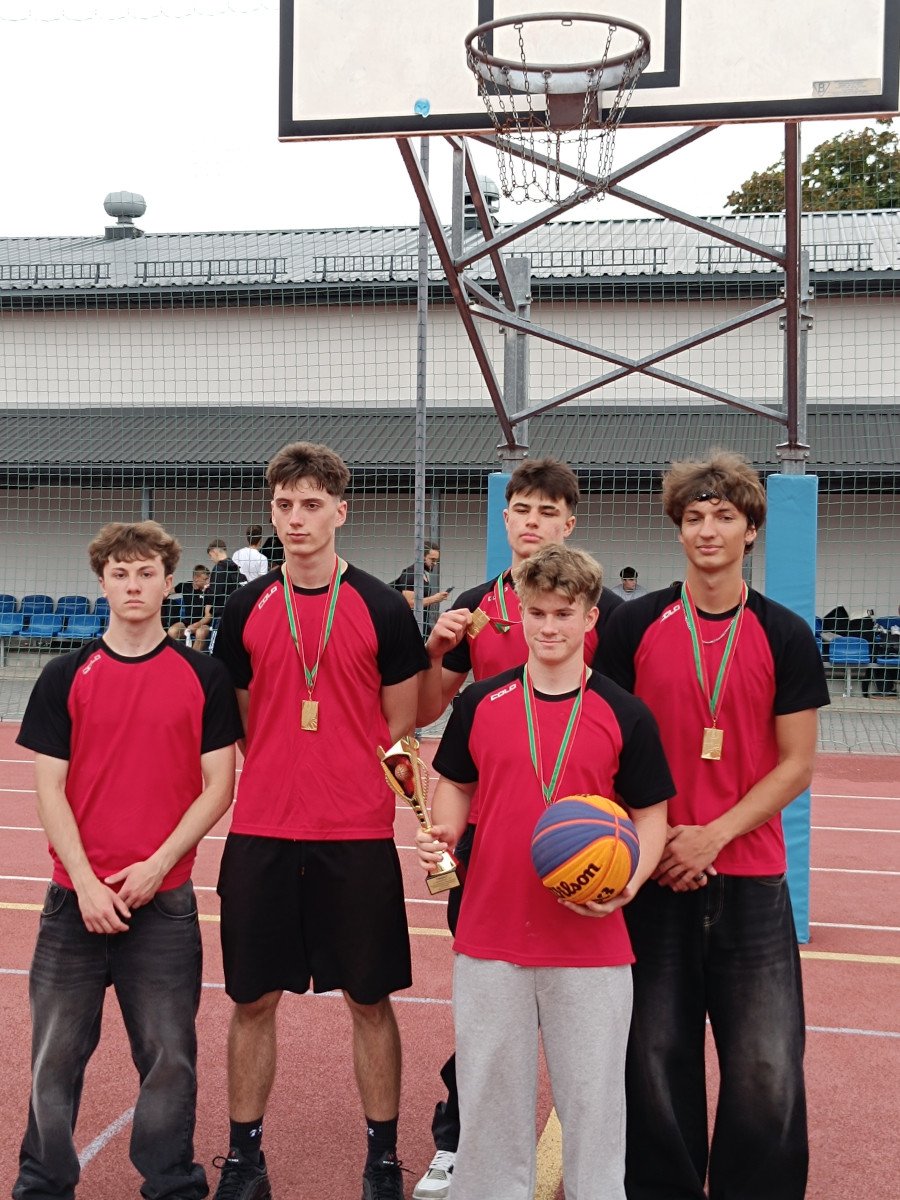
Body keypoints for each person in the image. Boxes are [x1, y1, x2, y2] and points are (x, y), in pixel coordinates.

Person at [596, 451, 831, 1200]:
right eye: (694, 516)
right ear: (678, 529)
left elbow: (796, 764)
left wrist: (713, 835)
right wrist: (662, 841)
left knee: (766, 1066)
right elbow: (610, 748)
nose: (708, 529)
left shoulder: (784, 633)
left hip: (751, 878)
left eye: (724, 516)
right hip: (654, 875)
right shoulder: (635, 624)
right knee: (654, 1059)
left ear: (751, 529)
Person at [416, 544, 673, 1200]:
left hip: (591, 943)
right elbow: (455, 788)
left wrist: (629, 883)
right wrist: (444, 834)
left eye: (564, 613)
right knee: (489, 1107)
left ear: (591, 618)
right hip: (490, 935)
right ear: (520, 614)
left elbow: (652, 815)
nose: (549, 626)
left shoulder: (625, 712)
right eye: (537, 613)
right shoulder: (480, 703)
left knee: (595, 1109)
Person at [212, 441, 428, 1200]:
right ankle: (244, 1160)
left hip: (356, 834)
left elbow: (400, 724)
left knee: (369, 1000)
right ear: (271, 513)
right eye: (283, 505)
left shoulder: (381, 607)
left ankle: (382, 1160)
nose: (296, 518)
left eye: (310, 505)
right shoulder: (245, 606)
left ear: (341, 511)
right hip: (264, 829)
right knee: (252, 1000)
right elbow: (245, 720)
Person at [12, 520, 242, 1200]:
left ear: (169, 583)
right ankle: (43, 1184)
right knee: (53, 1060)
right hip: (72, 903)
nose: (133, 585)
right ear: (103, 583)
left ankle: (172, 1184)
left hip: (162, 902)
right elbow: (49, 790)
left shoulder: (203, 675)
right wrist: (85, 883)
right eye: (120, 574)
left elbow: (219, 786)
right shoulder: (64, 675)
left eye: (146, 573)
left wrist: (157, 865)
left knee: (170, 1058)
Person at [391, 541, 450, 634]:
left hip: (421, 625)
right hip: (410, 627)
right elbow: (409, 603)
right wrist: (434, 599)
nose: (435, 563)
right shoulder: (411, 574)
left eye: (436, 560)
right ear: (422, 557)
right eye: (432, 559)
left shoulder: (422, 574)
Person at [206, 538, 244, 649]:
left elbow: (214, 594)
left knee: (214, 649)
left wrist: (206, 591)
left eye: (210, 556)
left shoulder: (219, 569)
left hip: (221, 616)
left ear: (214, 552)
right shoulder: (236, 568)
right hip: (235, 616)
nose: (211, 559)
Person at [168, 562, 213, 650]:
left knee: (200, 632)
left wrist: (196, 625)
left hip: (203, 624)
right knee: (172, 631)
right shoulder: (185, 586)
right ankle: (176, 656)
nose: (207, 582)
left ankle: (193, 658)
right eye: (205, 579)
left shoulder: (209, 591)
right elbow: (168, 591)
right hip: (187, 622)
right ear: (196, 578)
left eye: (208, 579)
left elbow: (208, 616)